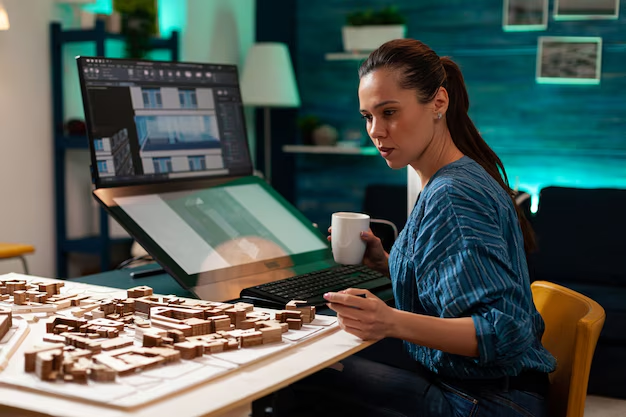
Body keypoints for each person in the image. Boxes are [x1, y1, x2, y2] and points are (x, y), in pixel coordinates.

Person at [268, 38, 557, 417]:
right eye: (367, 116)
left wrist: (389, 322)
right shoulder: (455, 177)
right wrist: (388, 264)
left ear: (438, 102)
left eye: (389, 112)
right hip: (480, 388)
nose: (376, 131)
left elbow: (504, 332)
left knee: (293, 378)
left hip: (484, 402)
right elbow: (457, 281)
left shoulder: (453, 194)